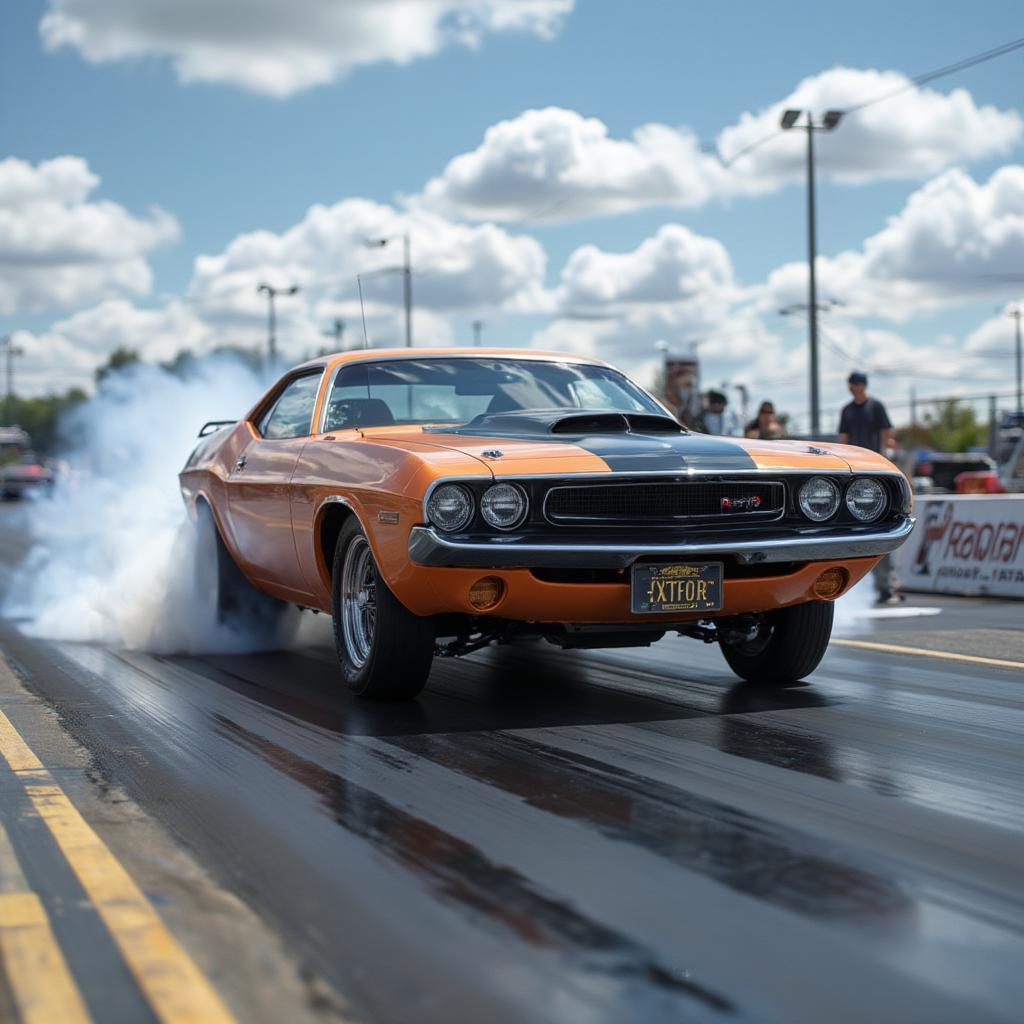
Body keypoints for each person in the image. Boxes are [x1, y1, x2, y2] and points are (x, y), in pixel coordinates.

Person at [838, 371, 901, 605]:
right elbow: (843, 439)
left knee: (880, 529)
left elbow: (885, 432)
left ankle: (885, 587)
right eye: (851, 383)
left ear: (863, 385)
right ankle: (851, 589)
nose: (853, 387)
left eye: (856, 383)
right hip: (854, 473)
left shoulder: (875, 407)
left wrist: (882, 457)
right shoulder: (847, 410)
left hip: (873, 473)